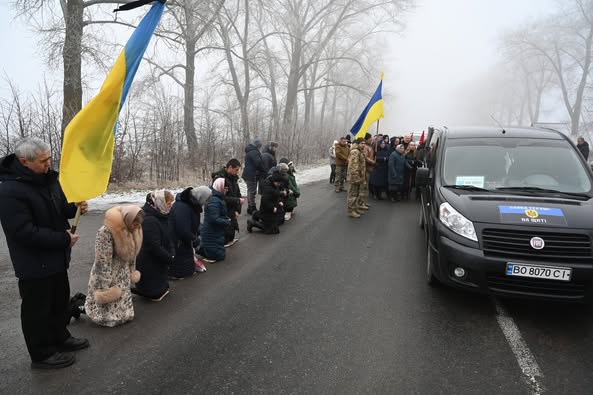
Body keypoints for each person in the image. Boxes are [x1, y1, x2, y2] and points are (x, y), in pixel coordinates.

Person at [0, 137, 89, 369]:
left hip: (57, 257)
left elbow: (60, 207)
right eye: (43, 161)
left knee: (59, 302)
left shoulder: (48, 180)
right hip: (33, 263)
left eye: (49, 158)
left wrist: (75, 207)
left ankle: (60, 337)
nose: (49, 164)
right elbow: (22, 232)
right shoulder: (9, 190)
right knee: (37, 310)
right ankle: (41, 354)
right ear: (24, 162)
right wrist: (63, 239)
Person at [84, 205, 144, 327]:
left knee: (122, 299)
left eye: (139, 224)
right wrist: (103, 288)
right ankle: (101, 316)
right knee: (107, 306)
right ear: (128, 220)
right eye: (136, 223)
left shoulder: (134, 228)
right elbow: (102, 261)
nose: (138, 227)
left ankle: (124, 315)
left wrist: (132, 270)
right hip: (108, 271)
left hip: (123, 272)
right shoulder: (106, 232)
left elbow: (133, 254)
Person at [134, 190, 175, 302]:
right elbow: (153, 246)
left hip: (158, 259)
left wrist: (171, 253)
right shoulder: (149, 220)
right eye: (168, 203)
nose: (170, 206)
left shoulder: (161, 214)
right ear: (159, 202)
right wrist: (169, 257)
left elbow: (167, 236)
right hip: (149, 262)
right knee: (155, 291)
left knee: (162, 288)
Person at [168, 186, 211, 279]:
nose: (207, 202)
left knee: (189, 269)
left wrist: (199, 230)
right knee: (183, 272)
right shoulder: (182, 207)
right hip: (178, 242)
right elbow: (183, 230)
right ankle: (171, 273)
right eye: (207, 199)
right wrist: (195, 240)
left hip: (184, 242)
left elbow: (192, 222)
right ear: (201, 197)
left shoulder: (192, 204)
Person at [211, 159, 245, 247]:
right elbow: (220, 197)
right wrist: (237, 200)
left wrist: (238, 210)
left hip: (232, 209)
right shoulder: (220, 179)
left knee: (230, 236)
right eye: (236, 170)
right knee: (224, 238)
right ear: (230, 167)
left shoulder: (233, 178)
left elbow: (238, 193)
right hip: (223, 210)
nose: (237, 172)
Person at [197, 178, 231, 263]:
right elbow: (214, 219)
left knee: (220, 255)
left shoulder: (218, 196)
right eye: (226, 188)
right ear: (221, 187)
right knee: (219, 256)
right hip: (210, 231)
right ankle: (199, 248)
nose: (227, 190)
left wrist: (225, 219)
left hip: (216, 231)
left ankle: (204, 249)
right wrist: (226, 221)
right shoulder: (213, 199)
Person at [242, 138, 266, 214]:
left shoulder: (250, 151)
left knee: (250, 191)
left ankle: (250, 207)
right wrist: (264, 170)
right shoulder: (254, 152)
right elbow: (258, 163)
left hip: (247, 174)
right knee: (252, 191)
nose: (260, 148)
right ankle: (252, 208)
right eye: (259, 146)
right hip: (251, 175)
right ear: (257, 145)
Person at [347, 138, 366, 218]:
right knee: (352, 194)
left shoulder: (359, 151)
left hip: (359, 176)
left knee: (356, 193)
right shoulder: (355, 152)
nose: (363, 145)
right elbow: (354, 166)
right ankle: (351, 211)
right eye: (362, 143)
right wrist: (356, 178)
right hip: (354, 177)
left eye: (364, 143)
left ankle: (355, 208)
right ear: (358, 144)